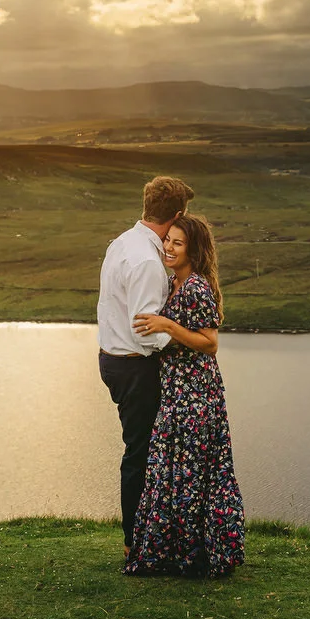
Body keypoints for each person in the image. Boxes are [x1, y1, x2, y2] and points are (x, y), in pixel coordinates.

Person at [125, 212, 245, 577]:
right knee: (170, 472)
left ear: (194, 250)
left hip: (197, 396)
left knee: (192, 475)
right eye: (168, 240)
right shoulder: (170, 283)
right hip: (175, 394)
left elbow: (210, 344)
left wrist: (167, 325)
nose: (168, 247)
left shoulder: (196, 287)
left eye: (178, 243)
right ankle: (173, 553)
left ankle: (197, 557)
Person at [97, 175, 195, 557]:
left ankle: (148, 535)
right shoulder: (146, 262)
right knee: (142, 453)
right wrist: (187, 339)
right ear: (177, 215)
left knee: (144, 450)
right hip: (135, 366)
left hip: (114, 359)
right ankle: (134, 542)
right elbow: (145, 332)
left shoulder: (123, 242)